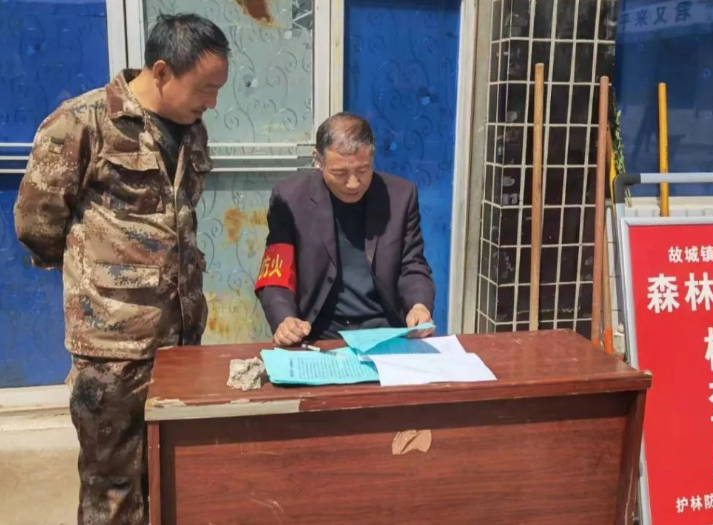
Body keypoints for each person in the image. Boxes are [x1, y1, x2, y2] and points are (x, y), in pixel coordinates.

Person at [13, 13, 229, 525]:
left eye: (219, 90)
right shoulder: (82, 122)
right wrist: (97, 279)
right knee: (112, 487)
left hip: (180, 341)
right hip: (110, 350)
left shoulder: (192, 131)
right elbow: (37, 222)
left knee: (170, 473)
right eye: (205, 88)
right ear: (162, 71)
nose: (213, 102)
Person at [255, 112, 436, 346]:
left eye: (362, 170)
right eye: (340, 173)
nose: (353, 183)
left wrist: (419, 305)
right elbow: (276, 273)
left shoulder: (400, 197)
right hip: (317, 330)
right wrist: (285, 319)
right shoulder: (289, 199)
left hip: (384, 328)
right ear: (318, 160)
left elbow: (412, 264)